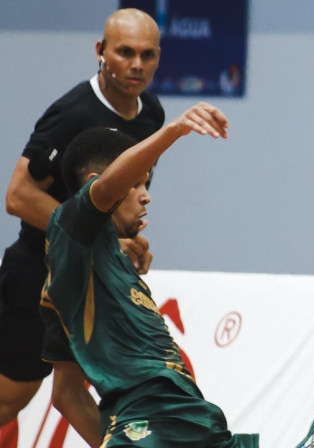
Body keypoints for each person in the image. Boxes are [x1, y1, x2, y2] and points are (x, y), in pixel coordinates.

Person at [40, 104, 314, 448]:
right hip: (147, 423)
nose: (146, 195)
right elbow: (66, 394)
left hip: (183, 417)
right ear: (95, 184)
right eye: (135, 182)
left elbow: (67, 394)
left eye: (147, 183)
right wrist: (174, 131)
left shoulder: (108, 265)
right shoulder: (67, 226)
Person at [0, 8, 164, 446]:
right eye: (125, 52)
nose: (137, 65)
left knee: (75, 392)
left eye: (148, 55)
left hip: (95, 278)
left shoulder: (151, 115)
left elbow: (118, 200)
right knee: (9, 399)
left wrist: (128, 241)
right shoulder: (72, 113)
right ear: (100, 52)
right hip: (40, 271)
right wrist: (98, 235)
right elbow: (18, 196)